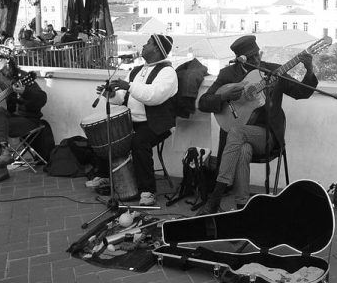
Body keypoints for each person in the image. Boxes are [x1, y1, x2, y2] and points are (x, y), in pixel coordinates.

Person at [197, 35, 318, 214]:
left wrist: (309, 70)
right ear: (240, 59)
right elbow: (203, 103)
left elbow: (302, 92)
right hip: (238, 139)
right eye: (250, 57)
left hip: (267, 136)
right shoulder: (228, 75)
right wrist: (225, 96)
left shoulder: (273, 72)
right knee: (243, 149)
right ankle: (243, 208)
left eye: (257, 55)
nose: (256, 60)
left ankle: (215, 198)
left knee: (237, 132)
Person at [97, 34, 178, 206]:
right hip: (132, 122)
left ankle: (148, 191)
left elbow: (154, 96)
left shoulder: (167, 72)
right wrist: (110, 94)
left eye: (148, 43)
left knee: (139, 142)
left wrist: (129, 86)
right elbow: (121, 97)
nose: (144, 45)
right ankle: (108, 178)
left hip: (157, 124)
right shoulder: (136, 70)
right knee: (107, 135)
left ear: (157, 49)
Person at [0, 45, 47, 185]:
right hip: (5, 121)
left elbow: (42, 98)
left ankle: (0, 168)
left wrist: (25, 92)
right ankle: (4, 155)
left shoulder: (23, 77)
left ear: (7, 60)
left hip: (26, 120)